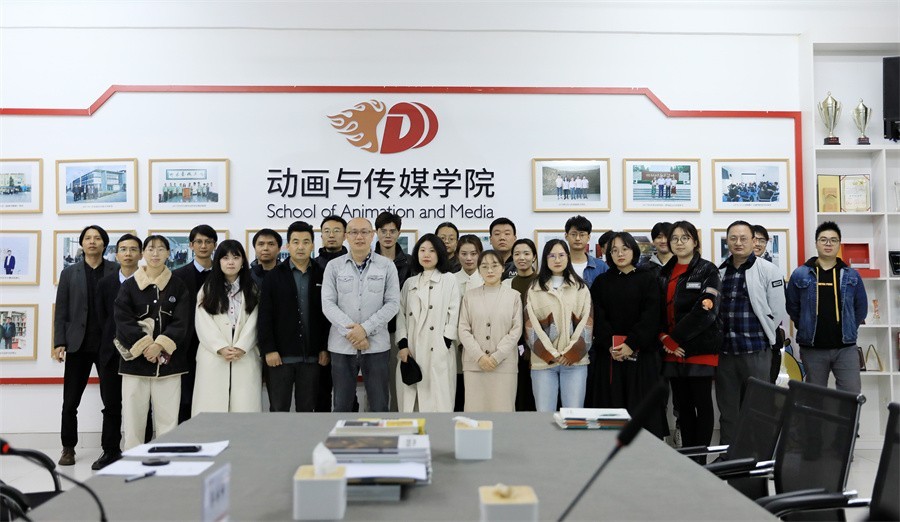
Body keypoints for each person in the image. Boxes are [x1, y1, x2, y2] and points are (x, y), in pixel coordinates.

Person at [715, 220, 787, 447]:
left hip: (756, 350)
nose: (738, 242)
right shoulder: (720, 271)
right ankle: (728, 455)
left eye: (743, 238)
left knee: (758, 407)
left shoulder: (768, 270)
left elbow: (778, 310)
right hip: (726, 353)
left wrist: (766, 335)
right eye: (733, 238)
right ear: (727, 241)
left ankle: (757, 456)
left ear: (753, 241)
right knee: (728, 410)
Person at [52, 225, 120, 466]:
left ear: (104, 244)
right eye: (88, 238)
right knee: (70, 402)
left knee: (112, 401)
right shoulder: (69, 273)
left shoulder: (116, 270)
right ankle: (68, 448)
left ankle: (110, 449)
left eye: (97, 238)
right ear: (82, 244)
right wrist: (59, 341)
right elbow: (61, 310)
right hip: (78, 345)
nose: (92, 242)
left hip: (108, 346)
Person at [115, 235, 190, 450]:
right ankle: (133, 458)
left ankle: (167, 458)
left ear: (168, 253)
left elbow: (182, 322)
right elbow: (123, 321)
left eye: (160, 249)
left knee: (168, 419)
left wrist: (160, 346)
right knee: (133, 419)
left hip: (169, 364)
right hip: (134, 364)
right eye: (150, 249)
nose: (155, 253)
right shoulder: (129, 286)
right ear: (143, 253)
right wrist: (146, 345)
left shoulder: (178, 286)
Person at [591, 232, 667, 438]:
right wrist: (610, 345)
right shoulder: (601, 282)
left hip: (641, 356)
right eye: (614, 250)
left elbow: (651, 316)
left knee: (642, 412)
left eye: (624, 249)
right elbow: (597, 317)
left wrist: (631, 344)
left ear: (633, 250)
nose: (620, 254)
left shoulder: (647, 279)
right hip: (610, 356)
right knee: (610, 414)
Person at [656, 221, 721, 457]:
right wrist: (664, 338)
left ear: (695, 241)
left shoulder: (708, 270)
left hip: (699, 348)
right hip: (671, 351)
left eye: (685, 238)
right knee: (682, 407)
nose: (679, 243)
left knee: (702, 405)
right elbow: (656, 310)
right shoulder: (663, 272)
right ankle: (689, 455)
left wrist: (675, 339)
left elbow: (706, 311)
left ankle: (700, 458)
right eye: (675, 238)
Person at [322, 217, 400, 412]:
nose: (359, 237)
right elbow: (328, 304)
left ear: (372, 235)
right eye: (354, 232)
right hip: (342, 346)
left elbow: (392, 304)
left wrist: (364, 330)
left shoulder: (387, 266)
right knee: (342, 405)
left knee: (379, 405)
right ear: (346, 236)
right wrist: (353, 333)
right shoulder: (334, 266)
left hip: (376, 346)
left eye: (364, 232)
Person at [786, 221, 867, 394]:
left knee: (851, 394)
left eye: (833, 240)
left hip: (845, 348)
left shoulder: (852, 275)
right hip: (813, 348)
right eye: (823, 239)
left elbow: (861, 308)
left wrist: (850, 327)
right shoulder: (800, 274)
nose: (828, 244)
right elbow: (792, 306)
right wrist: (805, 325)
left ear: (839, 244)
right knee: (814, 398)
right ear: (816, 243)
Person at [257, 222, 329, 412]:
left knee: (307, 410)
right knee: (278, 409)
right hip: (280, 357)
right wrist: (269, 349)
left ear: (313, 245)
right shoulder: (273, 276)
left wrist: (324, 347)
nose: (301, 247)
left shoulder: (323, 274)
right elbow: (265, 316)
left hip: (312, 357)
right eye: (296, 242)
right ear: (288, 246)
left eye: (306, 242)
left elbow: (327, 317)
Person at [193, 240, 263, 414]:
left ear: (243, 261)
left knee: (244, 404)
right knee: (212, 404)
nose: (231, 262)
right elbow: (202, 322)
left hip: (244, 352)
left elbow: (255, 320)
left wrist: (242, 346)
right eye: (225, 258)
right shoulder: (207, 289)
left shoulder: (252, 288)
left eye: (236, 257)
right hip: (214, 353)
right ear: (218, 261)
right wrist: (220, 347)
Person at [525, 239, 593, 411]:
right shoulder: (534, 289)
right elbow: (530, 326)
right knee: (544, 415)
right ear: (545, 259)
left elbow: (587, 323)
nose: (557, 259)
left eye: (561, 255)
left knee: (574, 415)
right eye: (552, 256)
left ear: (568, 257)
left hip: (575, 364)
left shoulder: (580, 288)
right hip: (543, 363)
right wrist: (551, 353)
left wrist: (571, 353)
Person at [395, 234, 460, 412]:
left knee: (438, 402)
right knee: (412, 404)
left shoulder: (449, 279)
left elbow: (454, 311)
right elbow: (401, 314)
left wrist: (445, 341)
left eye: (432, 250)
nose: (426, 254)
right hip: (411, 349)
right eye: (422, 250)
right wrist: (402, 344)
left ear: (439, 254)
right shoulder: (410, 283)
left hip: (437, 349)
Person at [92, 234, 141, 469]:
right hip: (110, 355)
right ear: (116, 254)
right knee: (111, 405)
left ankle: (141, 449)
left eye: (133, 249)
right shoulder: (105, 284)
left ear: (140, 254)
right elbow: (101, 319)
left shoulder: (149, 281)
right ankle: (110, 451)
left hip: (141, 354)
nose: (128, 254)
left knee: (140, 406)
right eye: (123, 249)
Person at [458, 250, 523, 412]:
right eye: (484, 266)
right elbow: (463, 329)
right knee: (474, 414)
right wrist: (480, 356)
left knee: (503, 412)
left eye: (494, 265)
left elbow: (516, 330)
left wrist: (496, 356)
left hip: (504, 365)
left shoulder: (514, 296)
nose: (490, 270)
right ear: (479, 270)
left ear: (503, 268)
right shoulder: (469, 296)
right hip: (474, 365)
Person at [172, 224, 218, 423]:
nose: (203, 246)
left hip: (216, 344)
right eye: (198, 241)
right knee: (186, 396)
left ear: (215, 245)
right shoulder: (178, 275)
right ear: (191, 245)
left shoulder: (223, 274)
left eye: (208, 241)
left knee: (213, 394)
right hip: (187, 344)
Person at [375, 211, 412, 412]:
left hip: (400, 331)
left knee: (400, 385)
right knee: (375, 387)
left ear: (399, 233)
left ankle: (399, 422)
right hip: (373, 331)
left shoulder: (411, 262)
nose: (388, 235)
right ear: (376, 232)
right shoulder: (367, 260)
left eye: (392, 231)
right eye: (383, 231)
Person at [504, 238, 539, 411]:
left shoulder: (542, 282)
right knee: (516, 394)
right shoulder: (506, 284)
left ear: (534, 257)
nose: (522, 258)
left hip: (539, 347)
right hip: (513, 346)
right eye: (517, 254)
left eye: (526, 253)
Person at [453, 234, 484, 410]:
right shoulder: (450, 280)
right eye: (464, 254)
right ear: (457, 255)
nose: (469, 258)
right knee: (458, 391)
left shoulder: (488, 279)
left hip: (482, 345)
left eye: (473, 253)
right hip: (455, 345)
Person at [752, 224, 785, 384]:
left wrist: (767, 330)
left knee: (766, 387)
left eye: (762, 240)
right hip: (743, 344)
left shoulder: (773, 270)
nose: (758, 244)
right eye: (755, 239)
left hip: (769, 340)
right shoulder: (731, 270)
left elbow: (779, 308)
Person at [564, 215, 609, 289]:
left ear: (588, 237)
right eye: (573, 234)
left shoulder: (601, 266)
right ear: (566, 236)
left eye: (582, 234)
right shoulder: (559, 264)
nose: (577, 238)